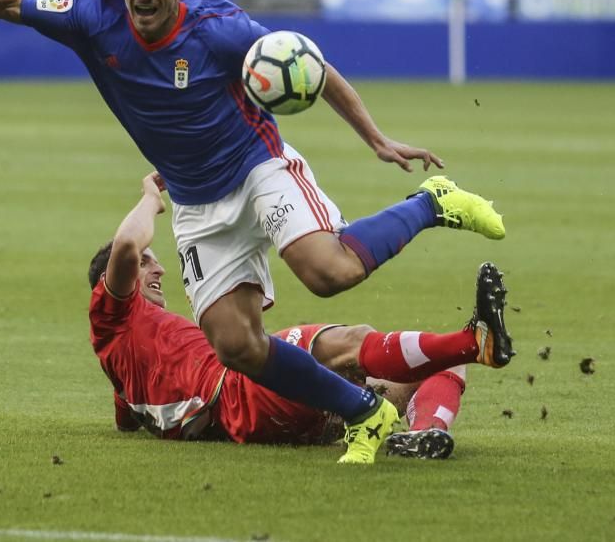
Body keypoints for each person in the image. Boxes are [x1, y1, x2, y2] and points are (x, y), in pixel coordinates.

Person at [0, 0, 510, 464]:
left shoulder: (217, 28)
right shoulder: (91, 12)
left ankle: (431, 202)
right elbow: (11, 2)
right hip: (198, 205)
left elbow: (313, 68)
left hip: (257, 168)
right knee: (236, 347)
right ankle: (367, 415)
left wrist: (376, 139)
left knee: (326, 273)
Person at [89, 172, 513, 458]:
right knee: (348, 342)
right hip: (242, 391)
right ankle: (475, 343)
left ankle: (423, 431)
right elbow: (126, 244)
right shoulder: (113, 316)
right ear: (106, 286)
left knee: (430, 367)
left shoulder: (123, 365)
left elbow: (128, 418)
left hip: (279, 422)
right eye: (147, 263)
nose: (157, 267)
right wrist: (151, 197)